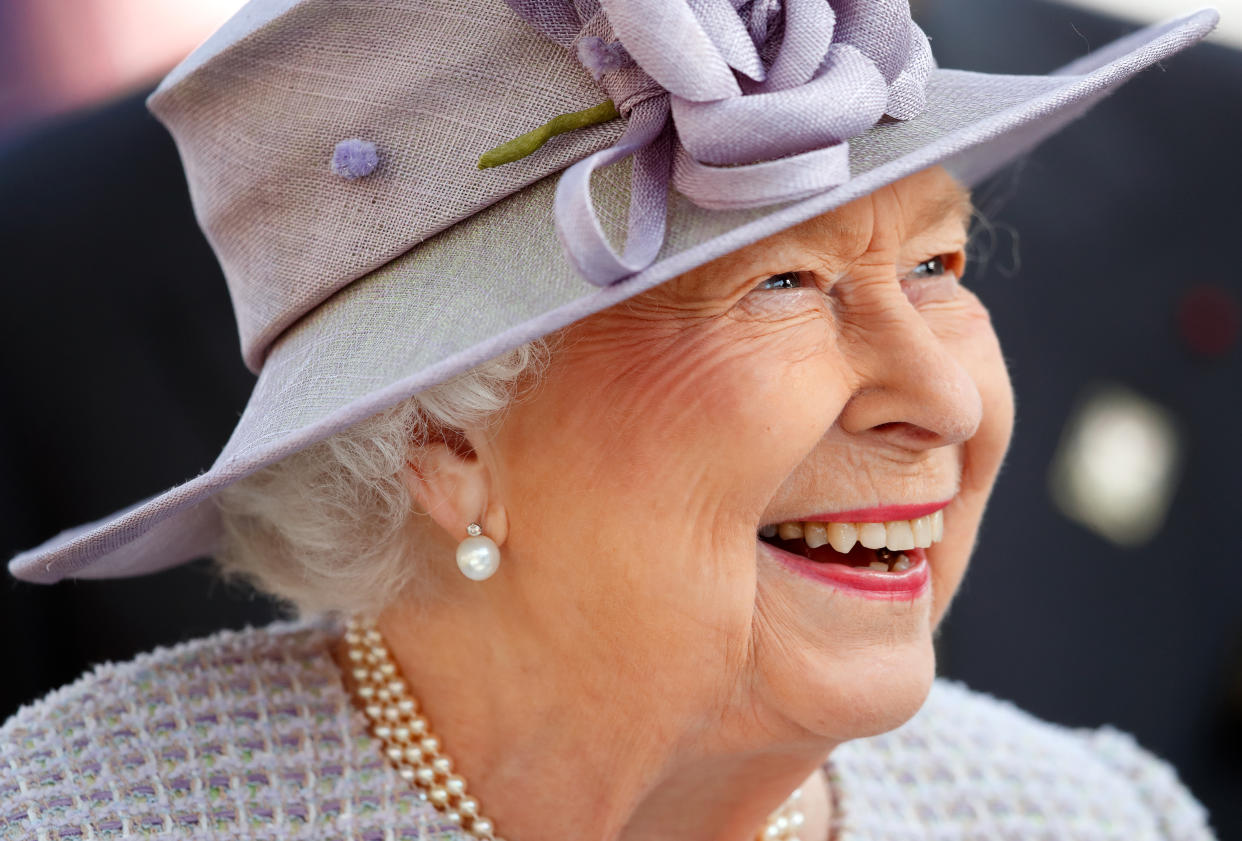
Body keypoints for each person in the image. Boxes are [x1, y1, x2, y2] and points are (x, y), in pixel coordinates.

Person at [0, 1, 1221, 839]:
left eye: (938, 267)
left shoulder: (1087, 816)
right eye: (781, 284)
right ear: (447, 444)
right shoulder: (83, 814)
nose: (946, 400)